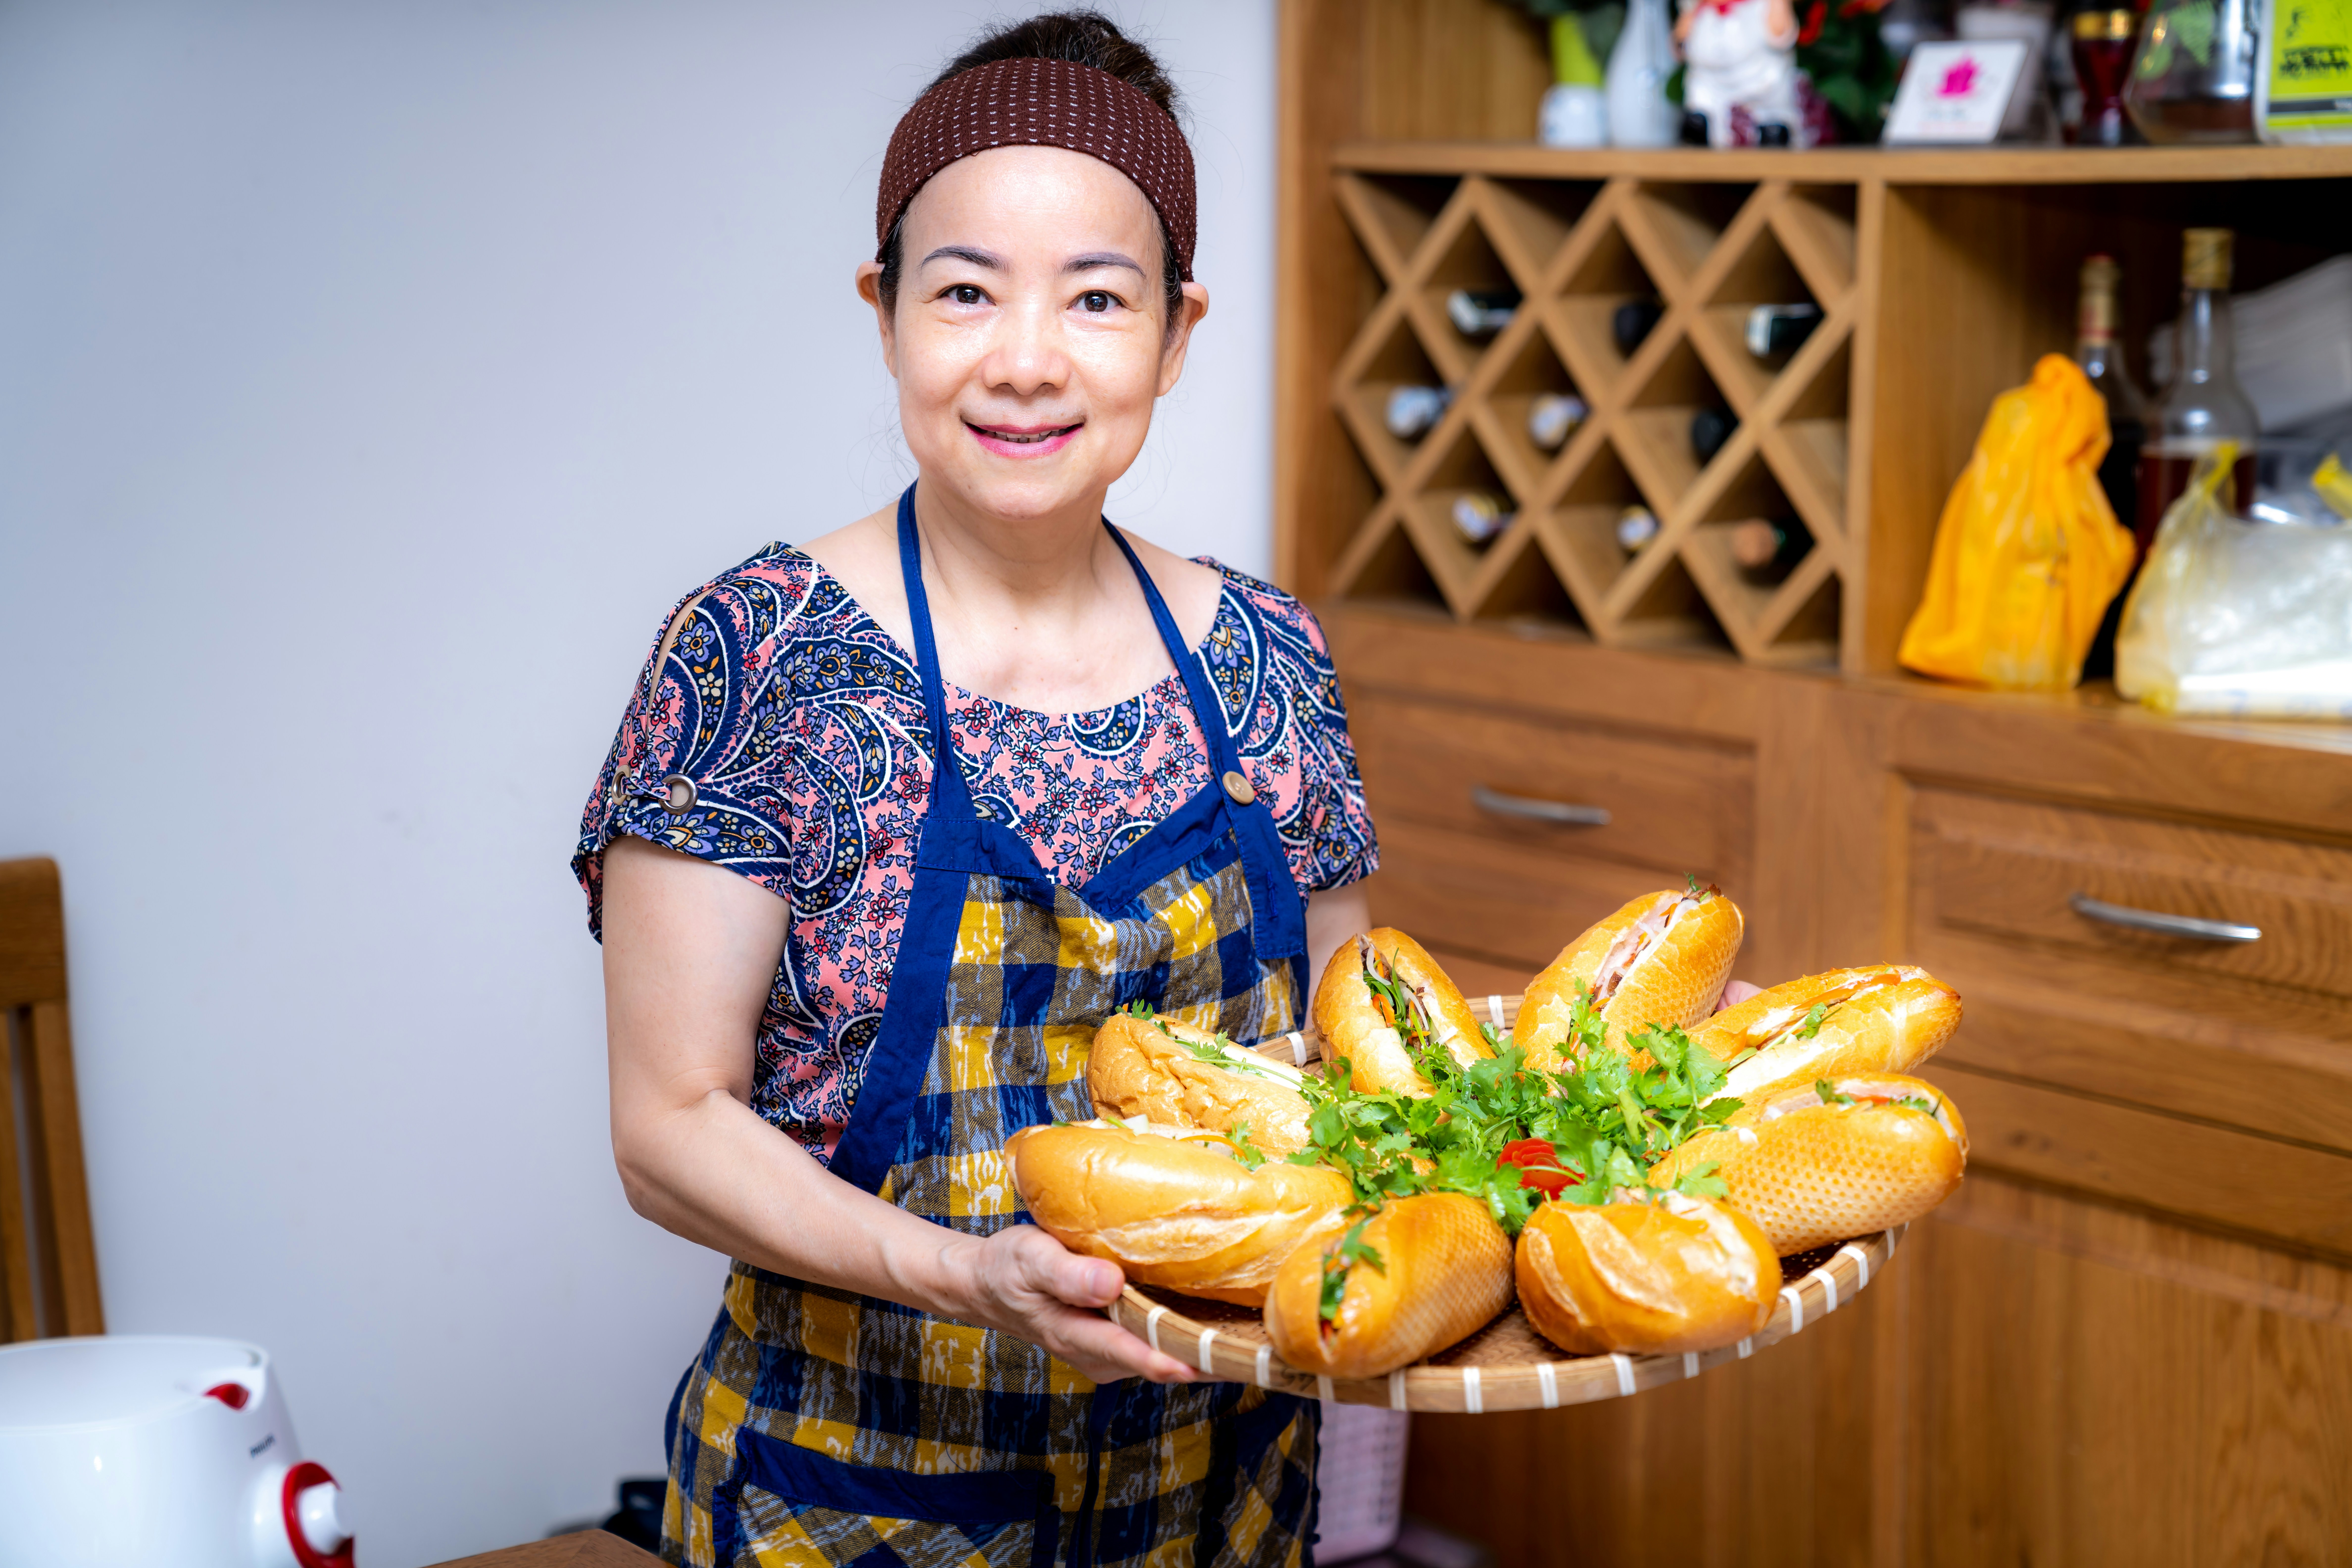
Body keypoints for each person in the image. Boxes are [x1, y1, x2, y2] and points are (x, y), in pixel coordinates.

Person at [574, 13, 1377, 1565]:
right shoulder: (762, 658)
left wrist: (1576, 1099)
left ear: (1178, 331)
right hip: (859, 1502)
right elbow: (668, 1128)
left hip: (1224, 1503)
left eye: (1097, 297)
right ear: (884, 315)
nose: (1026, 359)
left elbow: (1355, 1069)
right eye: (964, 292)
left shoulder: (1272, 656)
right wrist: (970, 1278)